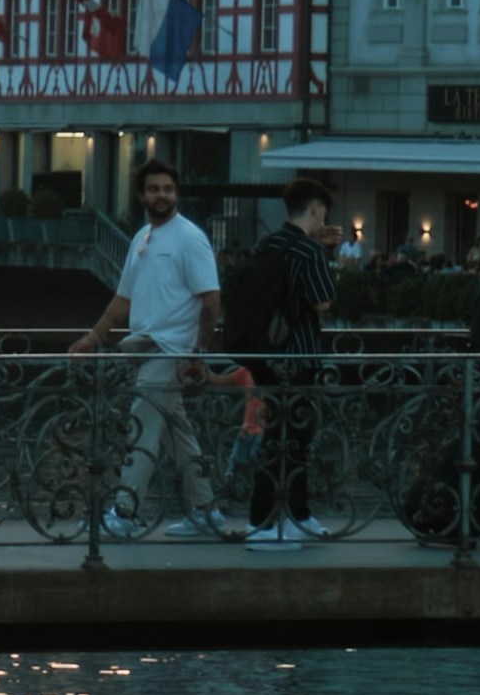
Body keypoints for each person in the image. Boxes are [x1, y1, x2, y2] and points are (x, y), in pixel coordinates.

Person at [72, 160, 225, 541]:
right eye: (154, 189)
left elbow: (211, 300)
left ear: (176, 194)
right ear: (142, 195)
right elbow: (123, 298)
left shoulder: (189, 238)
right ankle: (208, 514)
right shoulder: (142, 238)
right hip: (151, 351)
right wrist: (93, 336)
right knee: (178, 436)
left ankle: (125, 513)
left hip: (168, 352)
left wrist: (196, 354)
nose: (162, 195)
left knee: (140, 432)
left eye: (168, 189)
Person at [234, 181, 340, 550]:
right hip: (300, 356)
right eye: (323, 213)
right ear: (314, 210)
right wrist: (328, 252)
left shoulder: (270, 243)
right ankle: (262, 522)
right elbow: (324, 301)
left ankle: (297, 514)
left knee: (283, 438)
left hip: (269, 355)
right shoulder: (309, 251)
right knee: (292, 440)